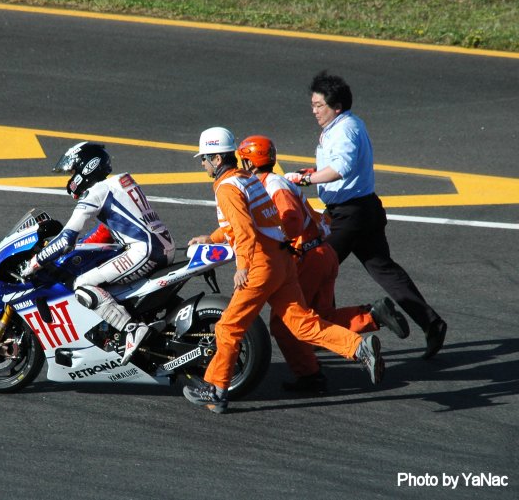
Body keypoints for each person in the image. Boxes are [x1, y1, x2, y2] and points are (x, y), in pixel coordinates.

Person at [183, 127, 385, 414]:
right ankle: (357, 347)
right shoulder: (247, 180)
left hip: (260, 265)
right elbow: (261, 220)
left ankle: (216, 389)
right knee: (302, 324)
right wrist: (212, 238)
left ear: (216, 159)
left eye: (204, 158)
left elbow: (243, 231)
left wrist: (242, 266)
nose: (202, 164)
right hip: (283, 262)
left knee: (229, 326)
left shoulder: (227, 188)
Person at [285, 71, 447, 359]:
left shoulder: (345, 129)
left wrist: (306, 181)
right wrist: (312, 173)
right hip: (362, 210)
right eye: (312, 104)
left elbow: (342, 168)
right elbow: (337, 168)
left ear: (336, 106)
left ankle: (327, 328)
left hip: (351, 215)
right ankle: (431, 323)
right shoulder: (341, 126)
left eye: (319, 105)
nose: (314, 111)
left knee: (317, 264)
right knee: (384, 270)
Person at [237, 134, 410, 394]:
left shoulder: (271, 186)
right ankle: (372, 316)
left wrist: (278, 242)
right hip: (321, 253)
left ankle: (313, 375)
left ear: (250, 162)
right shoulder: (277, 182)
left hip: (307, 259)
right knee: (320, 319)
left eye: (243, 160)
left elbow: (292, 220)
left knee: (285, 326)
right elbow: (317, 218)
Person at [21, 141, 176, 365]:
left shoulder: (95, 192)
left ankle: (132, 329)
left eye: (74, 171)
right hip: (163, 245)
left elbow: (66, 238)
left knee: (83, 285)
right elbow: (107, 229)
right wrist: (83, 245)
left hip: (145, 252)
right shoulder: (121, 181)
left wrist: (36, 261)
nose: (72, 176)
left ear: (87, 167)